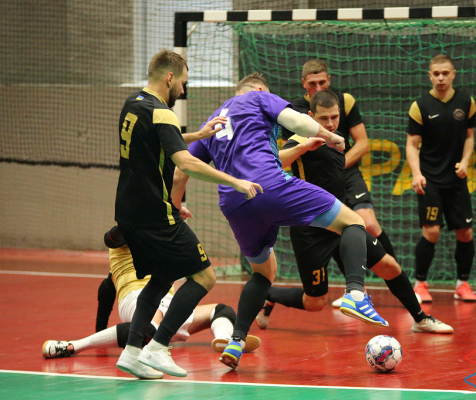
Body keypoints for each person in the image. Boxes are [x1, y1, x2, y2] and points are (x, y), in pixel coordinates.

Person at [173, 72, 387, 370]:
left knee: (264, 272)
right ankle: (354, 293)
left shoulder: (213, 120)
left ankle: (236, 341)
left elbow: (180, 172)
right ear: (260, 89)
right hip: (270, 187)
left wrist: (176, 208)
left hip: (235, 203)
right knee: (353, 222)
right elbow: (298, 121)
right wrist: (332, 137)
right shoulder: (259, 98)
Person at [113, 49, 262, 379]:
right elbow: (186, 162)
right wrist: (235, 181)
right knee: (204, 277)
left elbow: (158, 140)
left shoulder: (133, 104)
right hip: (155, 213)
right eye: (182, 82)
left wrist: (199, 135)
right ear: (169, 77)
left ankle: (133, 352)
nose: (182, 89)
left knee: (162, 277)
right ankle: (158, 346)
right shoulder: (163, 112)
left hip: (127, 212)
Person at [254, 90, 452, 334]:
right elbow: (275, 162)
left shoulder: (338, 138)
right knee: (315, 302)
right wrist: (304, 147)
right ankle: (270, 294)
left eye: (334, 117)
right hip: (310, 229)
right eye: (323, 118)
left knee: (389, 266)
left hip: (339, 221)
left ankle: (421, 319)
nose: (330, 123)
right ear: (310, 116)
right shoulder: (300, 137)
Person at [41, 227, 260, 360]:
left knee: (222, 311)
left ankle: (224, 340)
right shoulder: (126, 240)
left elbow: (105, 290)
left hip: (168, 301)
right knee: (147, 328)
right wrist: (99, 331)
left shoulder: (159, 235)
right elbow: (111, 240)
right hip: (138, 298)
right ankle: (72, 346)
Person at [281, 60, 397, 307]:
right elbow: (288, 153)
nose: (318, 87)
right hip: (317, 180)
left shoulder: (345, 101)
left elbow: (362, 143)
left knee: (368, 223)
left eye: (322, 82)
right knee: (335, 228)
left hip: (347, 169)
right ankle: (354, 291)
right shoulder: (294, 111)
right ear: (304, 84)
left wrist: (339, 165)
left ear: (329, 80)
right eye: (312, 83)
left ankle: (394, 279)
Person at [406, 54, 476, 303]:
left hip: (456, 180)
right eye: (436, 74)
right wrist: (417, 174)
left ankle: (462, 284)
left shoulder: (466, 102)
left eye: (445, 73)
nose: (440, 78)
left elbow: (469, 136)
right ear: (430, 76)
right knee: (432, 231)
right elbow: (411, 144)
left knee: (465, 232)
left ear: (453, 74)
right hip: (430, 180)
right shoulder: (420, 105)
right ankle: (420, 285)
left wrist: (465, 161)